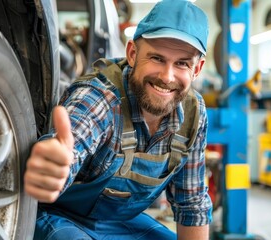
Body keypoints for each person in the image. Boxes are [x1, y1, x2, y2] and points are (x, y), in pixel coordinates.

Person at [24, 0, 213, 239]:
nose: (167, 76)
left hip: (118, 222)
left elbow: (192, 205)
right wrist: (55, 164)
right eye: (156, 58)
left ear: (196, 70)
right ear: (133, 53)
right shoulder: (100, 97)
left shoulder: (194, 113)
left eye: (182, 63)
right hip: (56, 215)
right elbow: (74, 137)